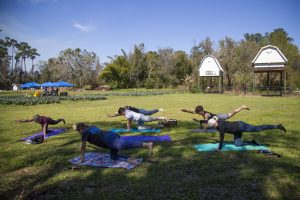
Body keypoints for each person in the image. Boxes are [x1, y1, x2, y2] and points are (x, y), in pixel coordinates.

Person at [73, 123, 153, 163]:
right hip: (111, 135)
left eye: (78, 131)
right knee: (113, 157)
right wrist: (75, 127)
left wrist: (82, 159)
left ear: (81, 129)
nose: (78, 133)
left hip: (108, 139)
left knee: (122, 145)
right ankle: (129, 159)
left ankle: (147, 144)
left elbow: (83, 147)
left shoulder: (84, 132)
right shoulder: (91, 127)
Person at [207, 117, 286, 151]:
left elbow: (222, 138)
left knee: (257, 129)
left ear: (214, 124)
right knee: (237, 144)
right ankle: (252, 142)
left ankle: (277, 126)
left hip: (241, 126)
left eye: (213, 126)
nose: (214, 127)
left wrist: (219, 148)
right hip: (236, 131)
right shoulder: (218, 121)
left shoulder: (221, 127)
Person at [181, 105, 250, 129]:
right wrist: (185, 110)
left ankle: (242, 107)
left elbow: (205, 122)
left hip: (219, 117)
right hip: (216, 118)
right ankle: (242, 107)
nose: (197, 113)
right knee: (231, 114)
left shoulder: (206, 115)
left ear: (201, 111)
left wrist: (204, 130)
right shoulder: (201, 112)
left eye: (198, 112)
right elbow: (193, 112)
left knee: (231, 114)